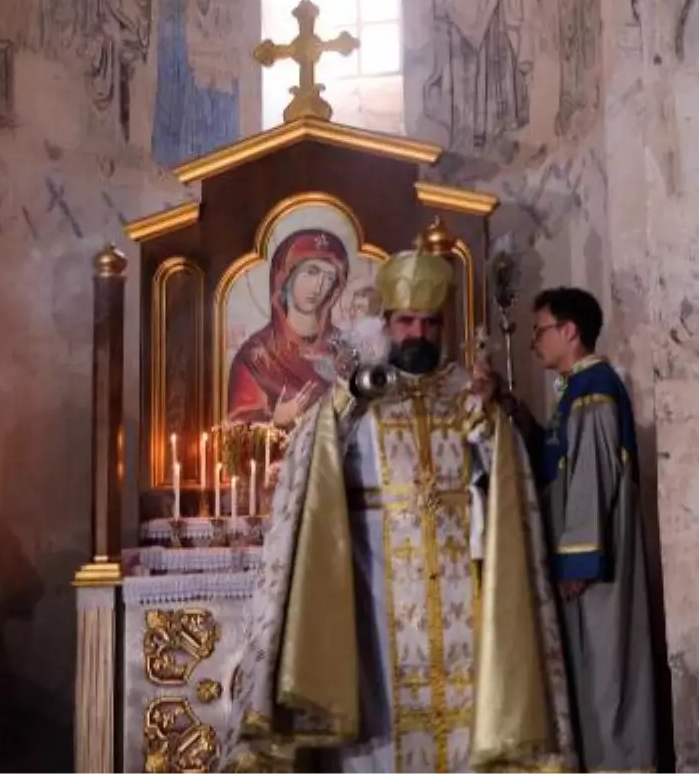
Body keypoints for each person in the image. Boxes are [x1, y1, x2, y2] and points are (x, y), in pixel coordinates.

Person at [223, 248, 579, 772]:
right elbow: (309, 470)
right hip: (375, 591)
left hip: (461, 587)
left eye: (430, 324)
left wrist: (488, 424)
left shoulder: (466, 392)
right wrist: (343, 400)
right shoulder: (357, 395)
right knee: (380, 719)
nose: (418, 334)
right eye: (407, 322)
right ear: (387, 324)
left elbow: (505, 481)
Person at [488, 287, 657, 773]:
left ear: (569, 331)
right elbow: (556, 460)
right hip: (582, 560)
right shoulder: (577, 390)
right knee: (591, 675)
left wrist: (578, 560)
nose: (534, 342)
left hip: (596, 567)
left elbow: (590, 479)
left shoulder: (595, 389)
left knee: (607, 674)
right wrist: (512, 408)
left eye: (540, 330)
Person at [227, 229, 351, 427]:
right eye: (311, 272)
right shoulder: (256, 357)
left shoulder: (345, 348)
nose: (318, 286)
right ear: (285, 277)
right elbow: (237, 429)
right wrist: (274, 419)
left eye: (329, 277)